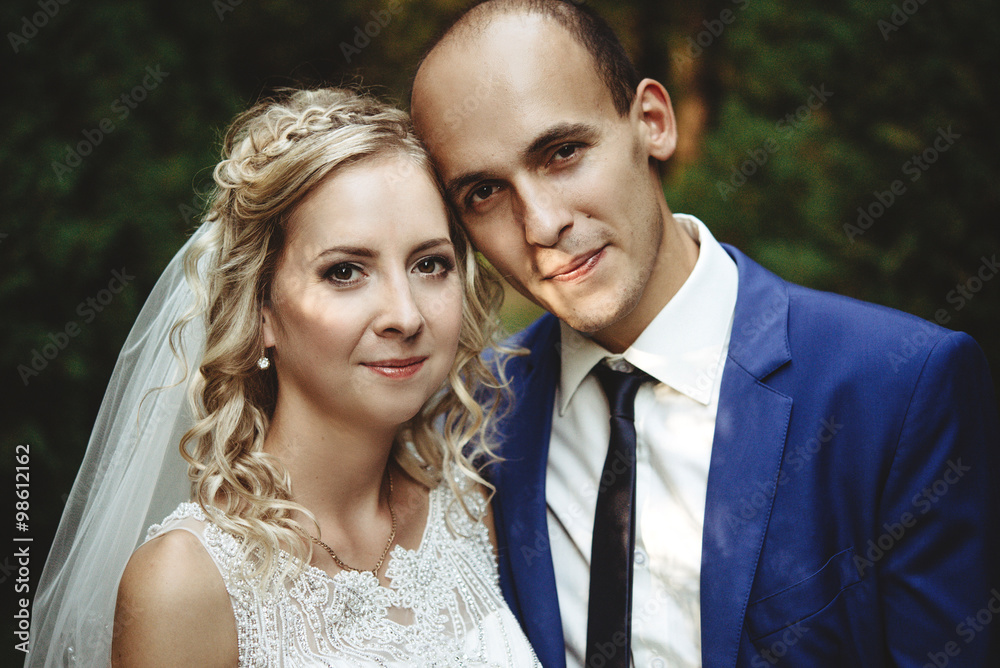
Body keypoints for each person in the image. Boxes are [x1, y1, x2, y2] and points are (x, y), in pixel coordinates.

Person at [409, 1, 1000, 666]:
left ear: (652, 124)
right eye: (484, 193)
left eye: (563, 152)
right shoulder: (469, 414)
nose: (541, 222)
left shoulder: (895, 389)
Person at [27, 88, 540, 667]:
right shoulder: (186, 585)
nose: (405, 314)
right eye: (345, 271)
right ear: (262, 310)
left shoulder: (470, 506)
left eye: (430, 265)